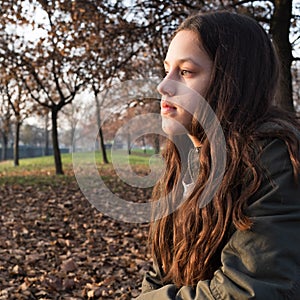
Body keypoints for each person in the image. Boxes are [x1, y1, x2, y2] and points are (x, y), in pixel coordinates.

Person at [135, 11, 300, 300]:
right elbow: (161, 268)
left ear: (232, 80)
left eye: (185, 72)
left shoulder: (271, 160)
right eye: (166, 70)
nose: (163, 86)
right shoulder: (182, 158)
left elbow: (249, 290)